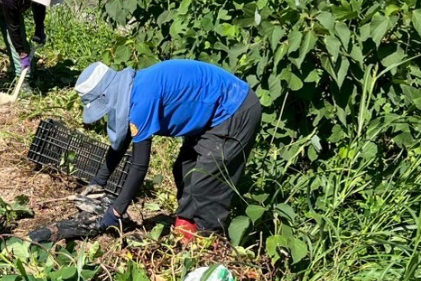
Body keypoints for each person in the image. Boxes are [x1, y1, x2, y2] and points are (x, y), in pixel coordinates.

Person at [31, 59, 261, 243]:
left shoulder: (141, 100)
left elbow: (140, 165)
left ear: (107, 96)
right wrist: (98, 181)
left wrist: (116, 212)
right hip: (212, 114)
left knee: (207, 182)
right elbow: (121, 142)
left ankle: (209, 240)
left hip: (234, 108)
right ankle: (187, 223)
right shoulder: (133, 89)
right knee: (184, 169)